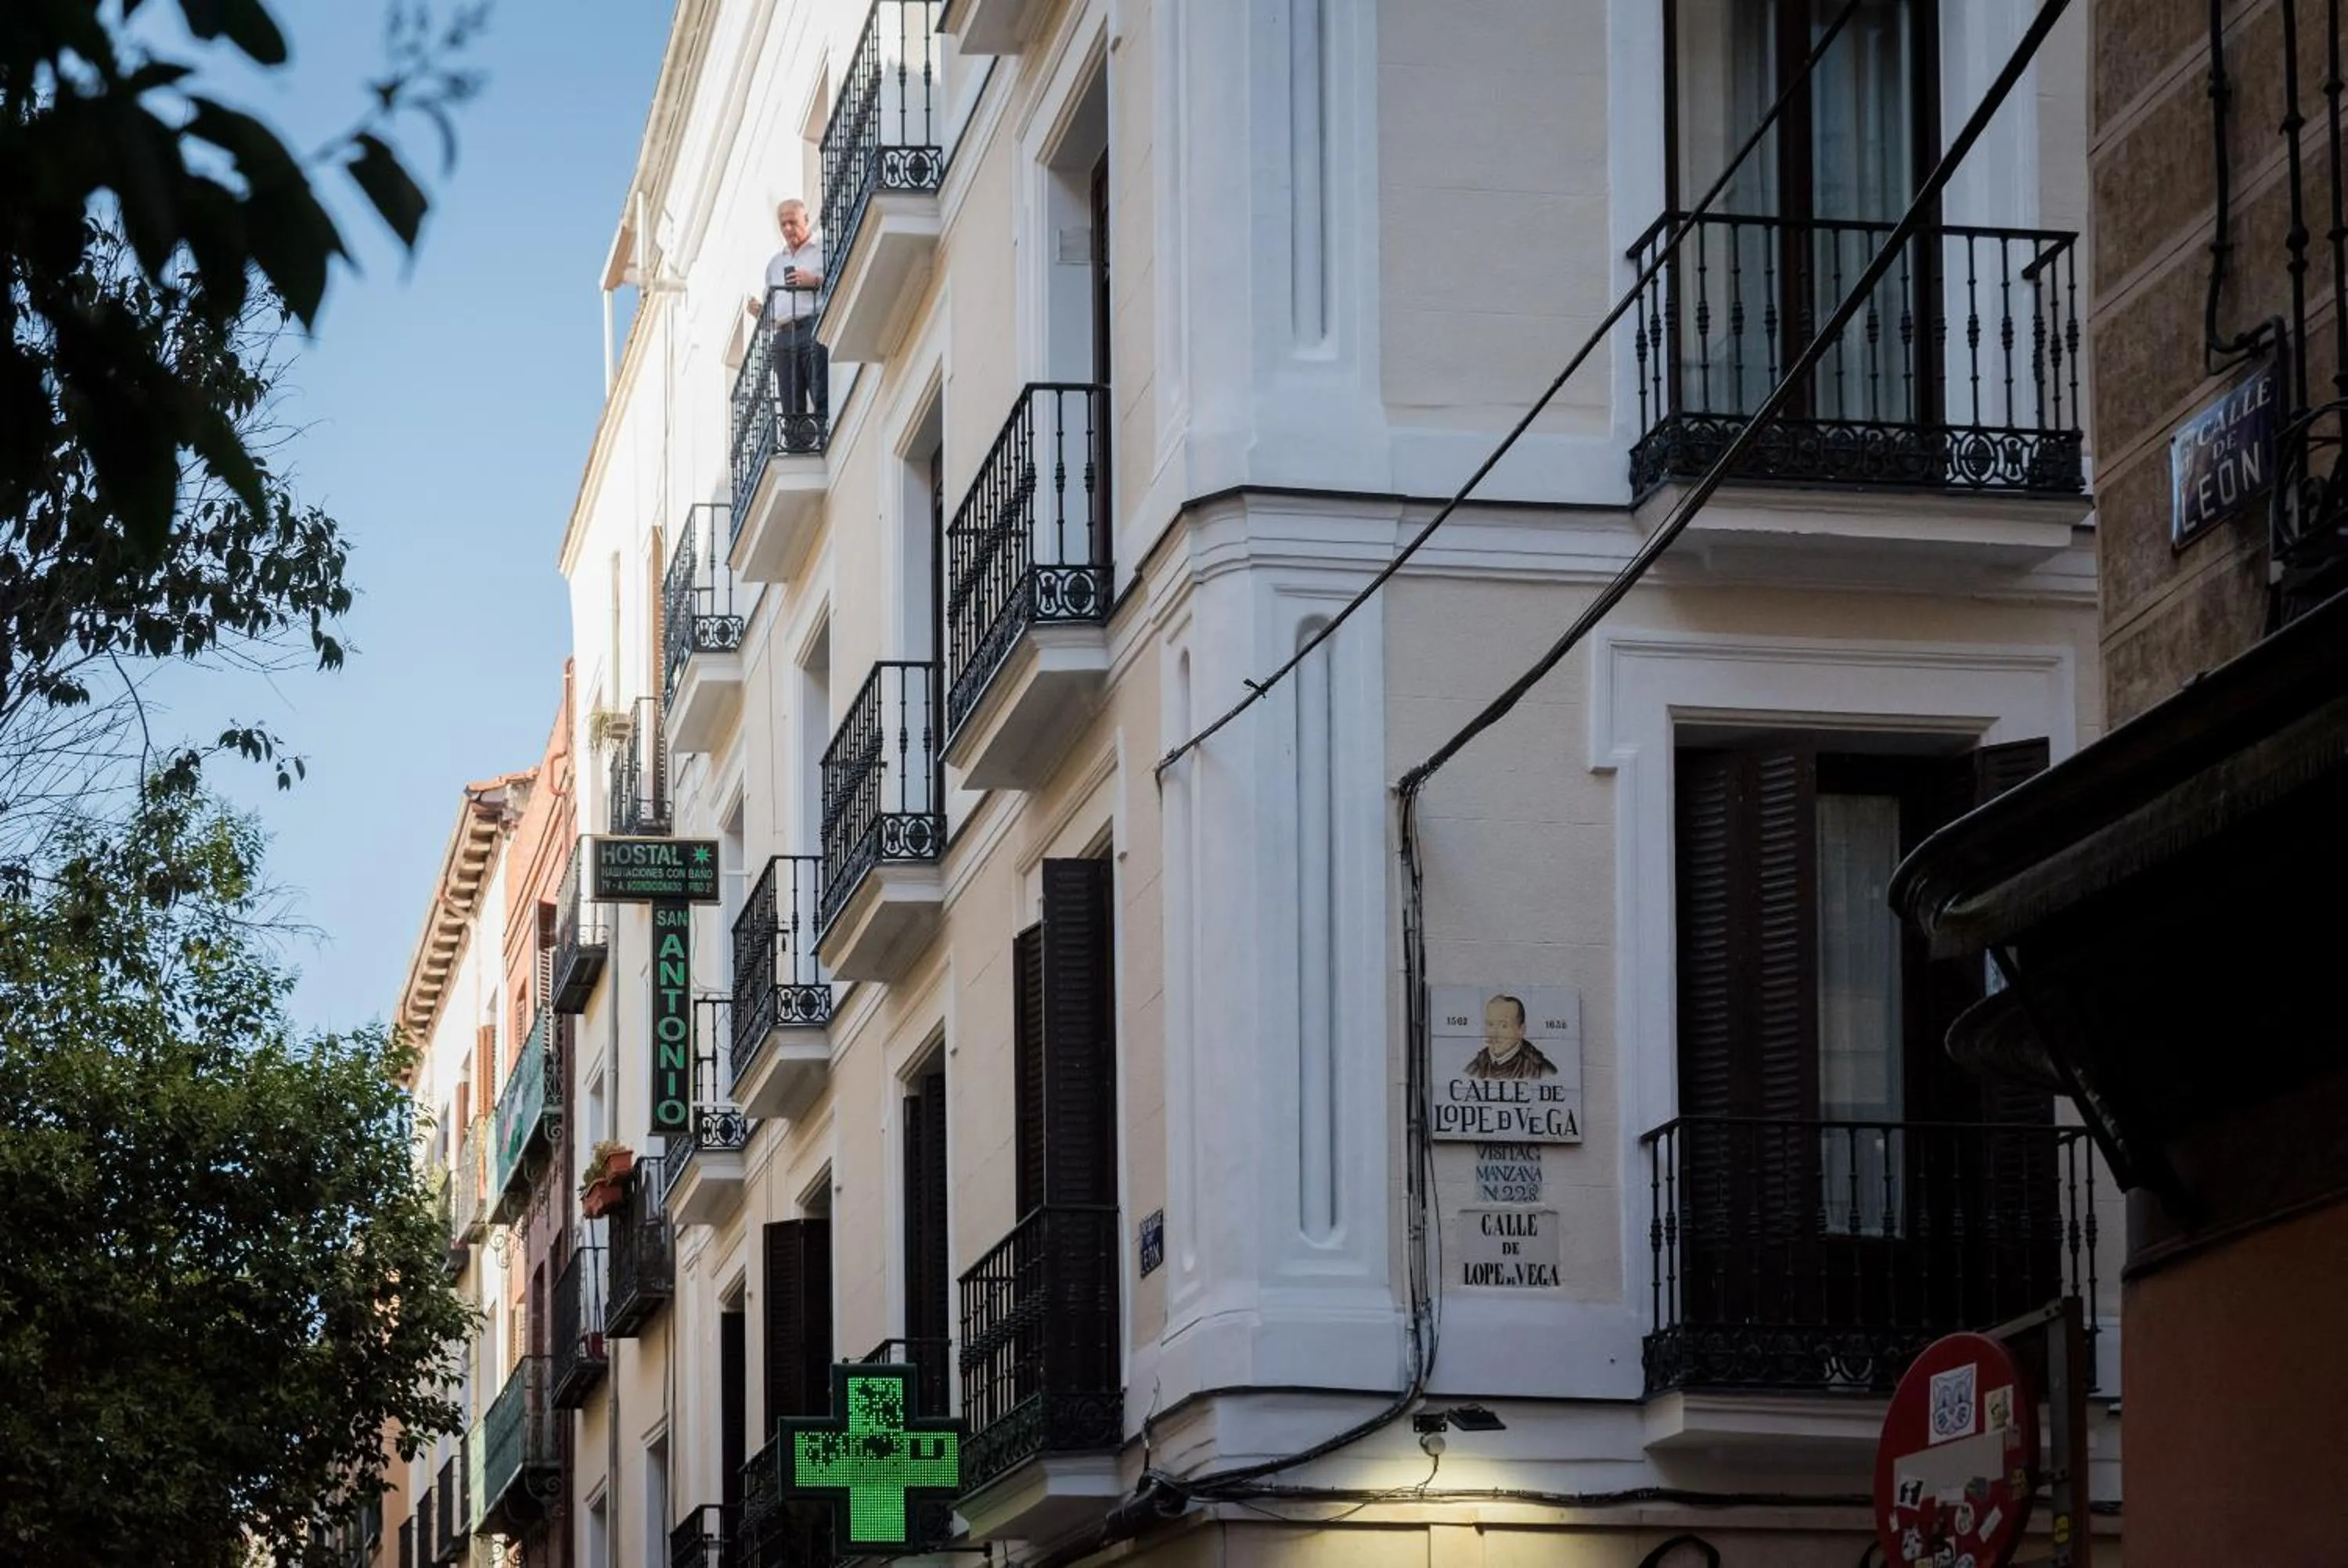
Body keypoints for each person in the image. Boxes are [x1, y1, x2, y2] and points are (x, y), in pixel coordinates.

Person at [748, 198, 826, 448]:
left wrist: (812, 281)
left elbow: (835, 278)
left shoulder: (821, 248)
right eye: (783, 224)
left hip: (811, 325)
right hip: (783, 334)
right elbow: (774, 306)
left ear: (805, 219)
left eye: (793, 222)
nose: (788, 229)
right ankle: (797, 445)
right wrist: (761, 313)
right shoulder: (775, 263)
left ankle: (824, 435)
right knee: (790, 396)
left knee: (817, 385)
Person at [1464, 994, 1558, 1081]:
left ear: (1521, 1030)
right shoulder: (1477, 1064)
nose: (1495, 1033)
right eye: (1490, 1024)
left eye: (1504, 1026)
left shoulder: (1538, 1068)